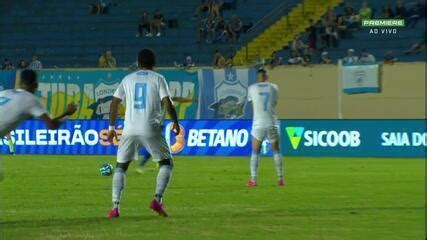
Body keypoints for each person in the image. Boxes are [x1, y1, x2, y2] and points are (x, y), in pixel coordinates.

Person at [107, 49, 180, 218]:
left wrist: (111, 129)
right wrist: (175, 122)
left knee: (121, 167)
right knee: (166, 163)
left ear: (138, 63)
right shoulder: (158, 78)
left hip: (129, 128)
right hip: (150, 127)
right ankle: (157, 199)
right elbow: (167, 103)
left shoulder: (127, 79)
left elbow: (114, 102)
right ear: (154, 64)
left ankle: (115, 207)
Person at [0, 70, 77, 147]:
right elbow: (52, 125)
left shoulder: (4, 93)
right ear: (36, 85)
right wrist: (67, 113)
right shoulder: (30, 99)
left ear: (19, 83)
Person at [246, 69, 284, 187]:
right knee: (276, 151)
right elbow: (274, 103)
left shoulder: (252, 88)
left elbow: (252, 105)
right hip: (271, 122)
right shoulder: (274, 87)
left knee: (255, 152)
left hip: (258, 123)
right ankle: (280, 178)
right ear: (266, 77)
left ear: (257, 78)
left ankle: (253, 180)